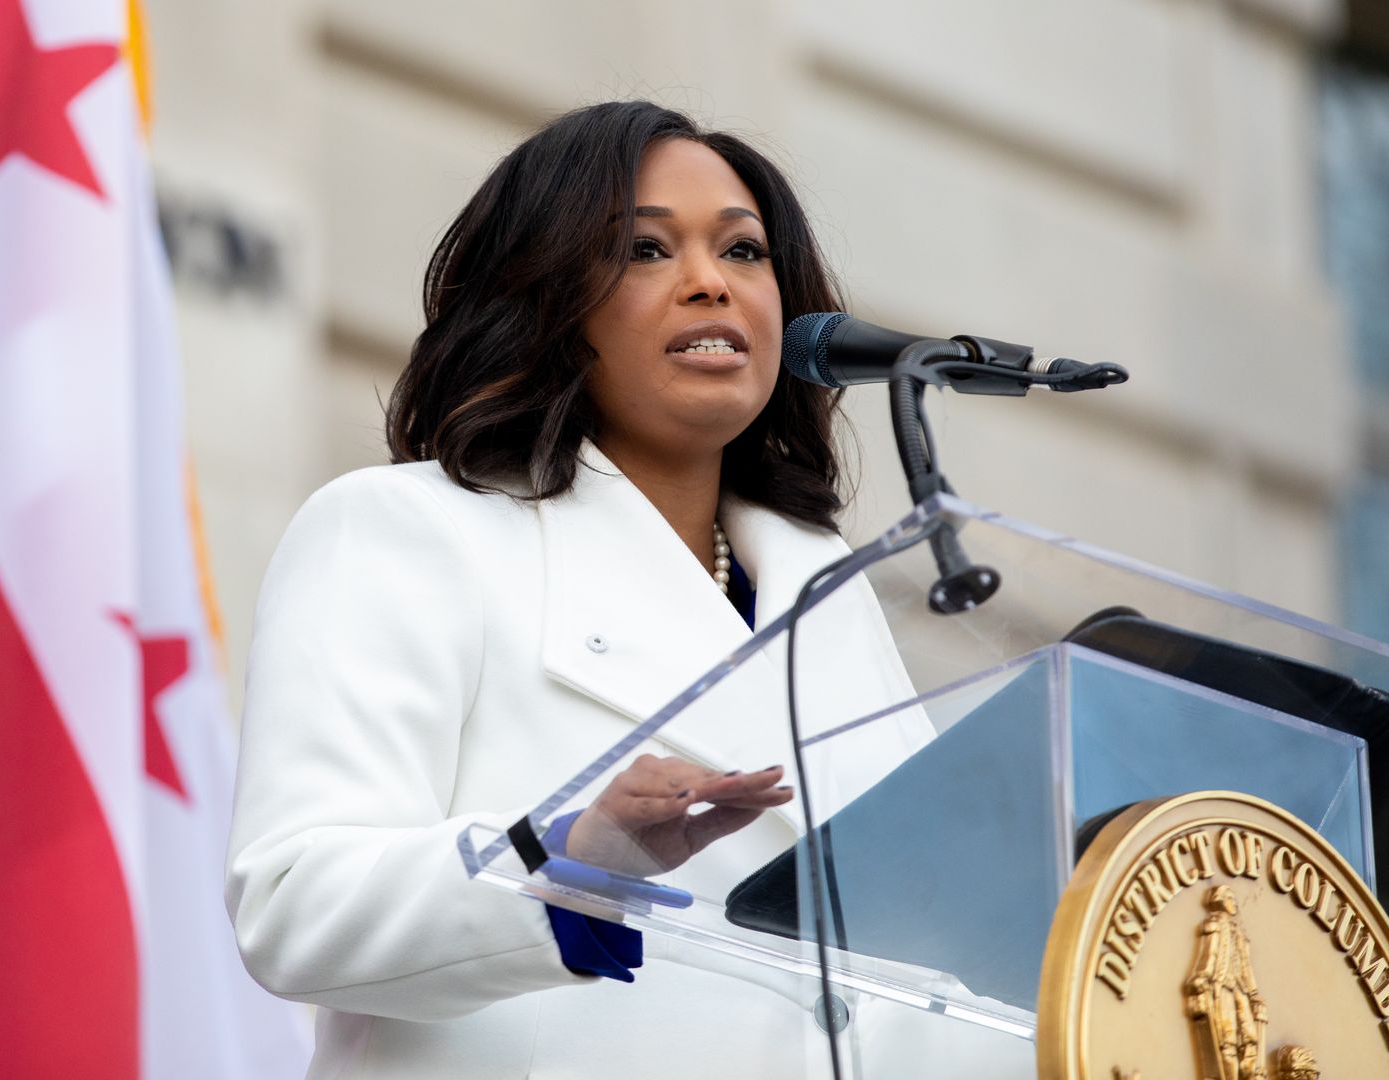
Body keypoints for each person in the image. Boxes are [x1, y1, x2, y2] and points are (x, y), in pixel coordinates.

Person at [225, 101, 1027, 1077]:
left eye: (743, 252)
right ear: (545, 301)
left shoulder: (826, 587)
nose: (709, 284)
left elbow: (903, 971)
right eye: (646, 251)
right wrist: (567, 861)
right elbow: (295, 902)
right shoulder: (405, 530)